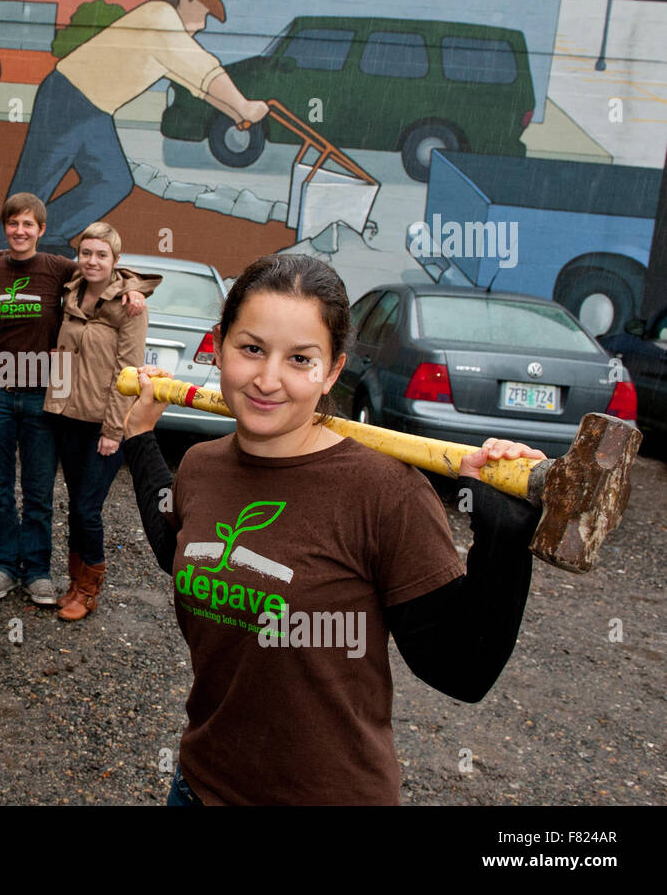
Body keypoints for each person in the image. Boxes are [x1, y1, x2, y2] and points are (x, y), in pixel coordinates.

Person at [122, 253, 546, 805]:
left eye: (300, 359)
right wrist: (140, 442)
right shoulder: (201, 466)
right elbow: (179, 551)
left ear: (333, 372)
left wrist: (504, 542)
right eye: (251, 348)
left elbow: (461, 670)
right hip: (201, 786)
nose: (268, 380)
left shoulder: (385, 493)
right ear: (219, 344)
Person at [0, 193, 156, 605]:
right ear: (5, 227)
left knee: (39, 489)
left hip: (42, 396)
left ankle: (39, 572)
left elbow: (106, 269)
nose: (20, 231)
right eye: (13, 223)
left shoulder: (58, 268)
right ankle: (3, 566)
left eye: (29, 224)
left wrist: (134, 288)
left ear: (42, 231)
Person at [0, 0, 269, 253]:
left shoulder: (165, 32)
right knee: (37, 179)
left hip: (93, 108)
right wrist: (244, 106)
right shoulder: (160, 19)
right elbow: (204, 69)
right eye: (204, 12)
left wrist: (236, 112)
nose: (203, 24)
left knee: (113, 181)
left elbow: (197, 84)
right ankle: (3, 248)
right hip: (69, 98)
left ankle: (49, 235)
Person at [44, 222, 148, 620]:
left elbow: (129, 370)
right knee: (76, 505)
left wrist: (113, 431)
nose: (92, 260)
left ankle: (88, 590)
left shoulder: (129, 305)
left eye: (101, 254)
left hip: (103, 424)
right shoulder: (71, 289)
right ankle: (73, 583)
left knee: (88, 508)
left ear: (116, 261)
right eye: (86, 253)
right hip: (68, 416)